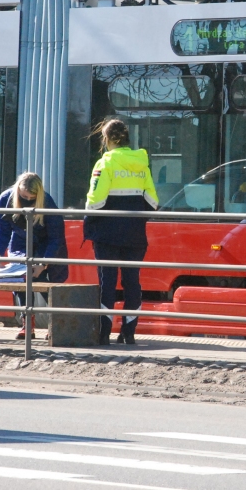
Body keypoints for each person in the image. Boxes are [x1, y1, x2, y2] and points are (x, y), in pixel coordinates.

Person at [84, 118, 158, 345]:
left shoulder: (104, 164)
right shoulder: (142, 164)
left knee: (108, 282)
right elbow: (153, 202)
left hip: (107, 234)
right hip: (135, 235)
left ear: (106, 139)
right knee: (132, 283)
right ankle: (129, 333)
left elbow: (95, 203)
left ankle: (104, 333)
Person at [0, 172, 68, 339]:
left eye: (30, 197)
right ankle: (27, 323)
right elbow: (3, 230)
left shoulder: (47, 202)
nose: (25, 199)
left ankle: (55, 325)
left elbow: (56, 237)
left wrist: (43, 263)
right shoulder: (6, 198)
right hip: (20, 243)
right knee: (20, 280)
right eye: (23, 196)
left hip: (47, 245)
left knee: (45, 285)